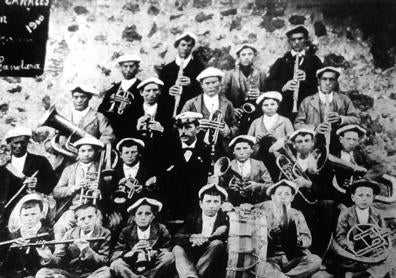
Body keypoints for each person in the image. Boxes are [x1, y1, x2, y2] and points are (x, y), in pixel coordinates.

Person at [255, 179, 321, 278]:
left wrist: (301, 242)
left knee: (316, 260)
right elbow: (258, 240)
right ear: (272, 197)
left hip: (293, 258)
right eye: (279, 194)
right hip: (272, 259)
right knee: (262, 267)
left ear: (292, 198)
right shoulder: (264, 213)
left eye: (287, 194)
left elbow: (307, 237)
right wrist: (270, 234)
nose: (283, 197)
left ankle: (285, 276)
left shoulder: (297, 214)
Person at [332, 180, 395, 278]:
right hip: (351, 253)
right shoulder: (345, 213)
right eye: (360, 195)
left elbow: (383, 236)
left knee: (390, 257)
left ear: (373, 198)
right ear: (353, 198)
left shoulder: (377, 214)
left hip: (370, 253)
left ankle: (363, 274)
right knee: (342, 261)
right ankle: (365, 273)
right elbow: (340, 236)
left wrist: (380, 237)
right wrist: (347, 244)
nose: (364, 199)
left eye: (368, 196)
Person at [36, 203, 112, 278]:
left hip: (92, 273)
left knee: (106, 272)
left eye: (90, 217)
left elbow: (104, 261)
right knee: (43, 272)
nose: (87, 221)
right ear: (77, 222)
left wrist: (86, 250)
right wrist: (48, 257)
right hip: (71, 273)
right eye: (82, 219)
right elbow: (60, 260)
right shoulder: (69, 234)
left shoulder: (104, 233)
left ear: (96, 217)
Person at [294, 66, 360, 154]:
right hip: (314, 147)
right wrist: (314, 128)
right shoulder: (307, 101)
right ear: (318, 81)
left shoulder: (344, 99)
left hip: (338, 147)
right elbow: (297, 124)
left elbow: (356, 119)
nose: (328, 83)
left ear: (336, 82)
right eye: (324, 79)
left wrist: (341, 119)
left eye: (331, 79)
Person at [265, 25, 322, 120]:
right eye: (293, 39)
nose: (296, 42)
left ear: (305, 40)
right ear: (289, 42)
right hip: (285, 108)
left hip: (309, 107)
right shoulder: (282, 61)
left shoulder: (314, 60)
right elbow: (268, 83)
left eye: (300, 39)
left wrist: (307, 78)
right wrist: (284, 87)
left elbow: (323, 83)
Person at [161, 112, 211, 220]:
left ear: (197, 129)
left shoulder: (207, 150)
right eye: (180, 128)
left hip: (197, 210)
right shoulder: (168, 150)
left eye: (188, 127)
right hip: (173, 209)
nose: (183, 132)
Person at [52, 137, 104, 240]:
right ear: (78, 152)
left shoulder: (101, 169)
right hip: (73, 210)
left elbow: (109, 192)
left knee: (96, 228)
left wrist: (99, 194)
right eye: (83, 151)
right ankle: (60, 253)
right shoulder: (69, 169)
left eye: (90, 150)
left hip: (94, 210)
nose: (86, 154)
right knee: (60, 227)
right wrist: (74, 188)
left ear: (95, 152)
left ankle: (90, 254)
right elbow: (56, 192)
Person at [173, 183, 228, 278]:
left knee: (217, 243)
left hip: (211, 260)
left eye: (216, 202)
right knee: (177, 248)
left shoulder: (225, 220)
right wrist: (192, 237)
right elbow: (176, 237)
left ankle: (193, 275)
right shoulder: (192, 218)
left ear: (221, 204)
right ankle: (190, 275)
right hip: (192, 256)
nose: (211, 206)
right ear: (201, 204)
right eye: (208, 201)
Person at [110, 198, 174, 278]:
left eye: (147, 214)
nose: (143, 217)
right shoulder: (126, 231)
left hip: (153, 267)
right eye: (139, 213)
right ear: (134, 217)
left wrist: (155, 252)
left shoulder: (161, 229)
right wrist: (131, 252)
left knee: (169, 257)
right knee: (116, 264)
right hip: (132, 266)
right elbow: (115, 254)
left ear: (153, 216)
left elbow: (168, 248)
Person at [181, 67, 238, 158]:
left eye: (214, 82)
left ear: (220, 83)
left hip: (221, 148)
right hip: (196, 147)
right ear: (201, 85)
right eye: (207, 83)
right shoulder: (191, 103)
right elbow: (179, 124)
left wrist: (229, 131)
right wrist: (196, 125)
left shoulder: (227, 104)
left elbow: (236, 126)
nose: (211, 86)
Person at [0, 126, 56, 214]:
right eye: (16, 143)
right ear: (9, 143)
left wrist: (37, 184)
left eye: (23, 142)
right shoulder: (3, 166)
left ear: (27, 142)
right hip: (6, 211)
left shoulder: (40, 161)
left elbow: (52, 183)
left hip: (32, 209)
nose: (19, 146)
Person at [0, 194, 53, 278]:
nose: (29, 219)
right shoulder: (13, 235)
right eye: (26, 215)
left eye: (33, 214)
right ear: (20, 216)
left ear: (42, 214)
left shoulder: (49, 233)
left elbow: (53, 264)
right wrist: (16, 248)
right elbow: (6, 266)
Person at [159, 32, 205, 116]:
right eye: (183, 45)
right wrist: (169, 91)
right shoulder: (167, 68)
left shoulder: (199, 67)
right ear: (177, 46)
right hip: (169, 109)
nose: (186, 48)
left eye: (189, 45)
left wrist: (192, 83)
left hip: (190, 111)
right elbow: (160, 91)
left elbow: (204, 90)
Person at [222, 44, 266, 132]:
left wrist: (260, 94)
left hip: (256, 115)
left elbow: (268, 94)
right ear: (238, 57)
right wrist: (232, 109)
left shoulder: (261, 74)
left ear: (254, 56)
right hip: (236, 115)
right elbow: (222, 96)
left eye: (250, 54)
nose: (247, 57)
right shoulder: (229, 74)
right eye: (243, 54)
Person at [98, 54, 143, 140]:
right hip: (111, 135)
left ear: (137, 67)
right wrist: (106, 131)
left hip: (132, 134)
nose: (128, 70)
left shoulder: (142, 89)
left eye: (131, 66)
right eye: (125, 66)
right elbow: (102, 111)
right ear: (120, 68)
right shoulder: (113, 90)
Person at [222, 135, 273, 206]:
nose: (241, 152)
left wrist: (257, 186)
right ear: (233, 152)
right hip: (234, 204)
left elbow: (271, 185)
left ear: (251, 150)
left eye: (245, 148)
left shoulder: (259, 164)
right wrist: (229, 188)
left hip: (256, 203)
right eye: (238, 149)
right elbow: (220, 186)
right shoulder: (227, 165)